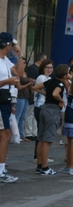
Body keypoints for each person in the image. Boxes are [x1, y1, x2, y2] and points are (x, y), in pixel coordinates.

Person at [31, 64, 70, 175]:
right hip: (53, 110)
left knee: (41, 137)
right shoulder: (60, 84)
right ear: (65, 74)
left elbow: (35, 87)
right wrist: (61, 100)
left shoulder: (50, 81)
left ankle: (39, 164)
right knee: (47, 139)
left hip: (44, 108)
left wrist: (45, 93)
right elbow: (55, 93)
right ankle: (45, 167)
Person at [0, 32, 20, 182]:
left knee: (5, 135)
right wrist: (6, 81)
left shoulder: (5, 60)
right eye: (12, 45)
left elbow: (19, 73)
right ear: (7, 45)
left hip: (5, 99)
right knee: (5, 135)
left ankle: (1, 169)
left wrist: (18, 55)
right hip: (1, 99)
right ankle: (1, 171)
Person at [25, 53, 46, 141]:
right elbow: (30, 83)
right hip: (33, 95)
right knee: (30, 114)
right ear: (41, 59)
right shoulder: (32, 69)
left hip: (37, 96)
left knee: (33, 115)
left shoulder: (38, 70)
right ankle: (29, 132)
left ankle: (34, 132)